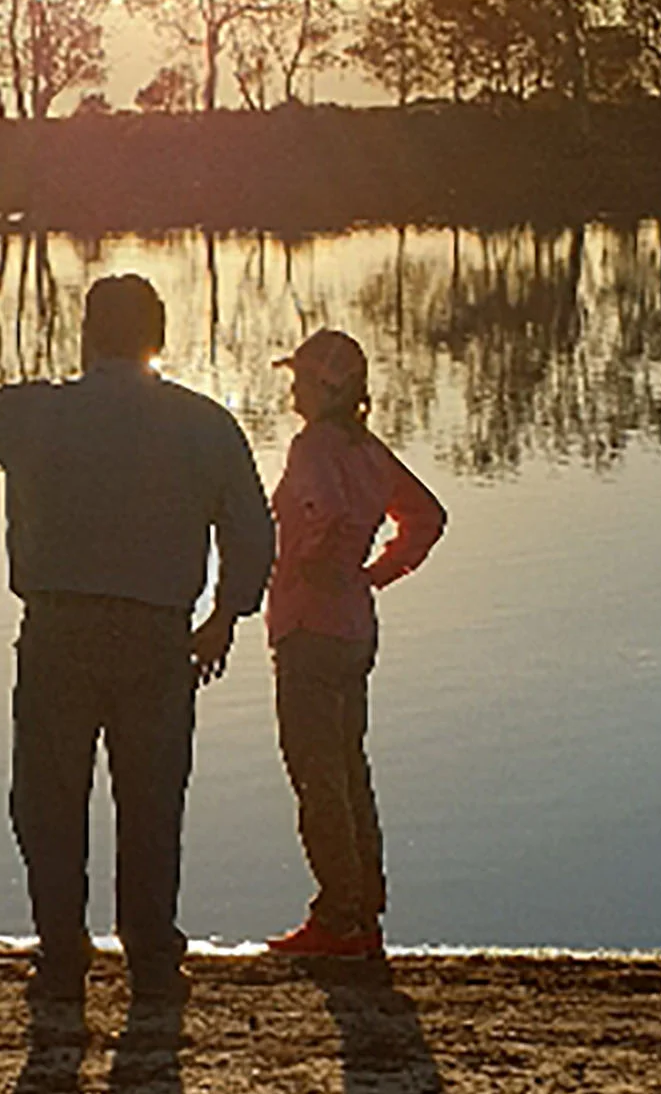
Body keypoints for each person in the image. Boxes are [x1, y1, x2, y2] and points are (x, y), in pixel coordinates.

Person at [0, 274, 274, 1002]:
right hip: (160, 634)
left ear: (88, 335)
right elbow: (251, 530)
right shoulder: (205, 422)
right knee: (154, 798)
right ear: (158, 338)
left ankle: (63, 951)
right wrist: (226, 614)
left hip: (58, 629)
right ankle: (153, 957)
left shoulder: (38, 412)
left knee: (48, 797)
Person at [261, 327, 445, 959]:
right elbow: (426, 517)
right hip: (354, 628)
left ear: (324, 386)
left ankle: (338, 920)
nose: (291, 391)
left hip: (309, 628)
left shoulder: (314, 445)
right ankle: (362, 910)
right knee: (348, 772)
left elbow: (327, 511)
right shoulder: (368, 451)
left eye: (300, 379)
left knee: (318, 778)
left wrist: (316, 560)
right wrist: (376, 573)